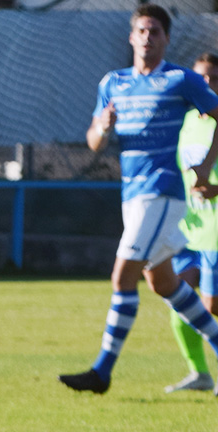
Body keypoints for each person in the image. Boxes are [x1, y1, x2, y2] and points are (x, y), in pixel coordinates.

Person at [60, 4, 218, 394]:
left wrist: (206, 167)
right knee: (163, 282)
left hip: (161, 191)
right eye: (142, 31)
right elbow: (93, 142)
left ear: (165, 39)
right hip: (131, 194)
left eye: (155, 32)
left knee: (122, 275)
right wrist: (103, 126)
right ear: (132, 37)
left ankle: (102, 371)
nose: (148, 37)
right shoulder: (113, 83)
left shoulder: (180, 79)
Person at [165, 52, 218, 395]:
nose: (207, 85)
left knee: (212, 307)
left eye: (214, 79)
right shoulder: (184, 122)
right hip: (186, 228)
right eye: (202, 79)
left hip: (215, 231)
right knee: (177, 296)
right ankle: (200, 373)